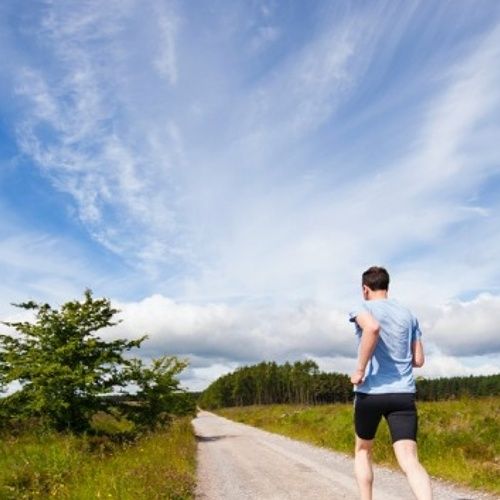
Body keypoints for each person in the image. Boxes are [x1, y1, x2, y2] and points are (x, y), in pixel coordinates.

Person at [349, 266, 432, 500]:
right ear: (387, 286)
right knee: (409, 460)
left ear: (365, 289)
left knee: (363, 450)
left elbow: (372, 328)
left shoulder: (362, 307)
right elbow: (418, 359)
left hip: (370, 393)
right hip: (403, 394)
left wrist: (359, 370)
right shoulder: (408, 314)